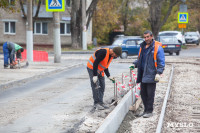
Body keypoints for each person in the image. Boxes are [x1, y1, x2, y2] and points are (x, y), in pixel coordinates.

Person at [133, 30, 165, 118]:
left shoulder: (157, 47)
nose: (146, 39)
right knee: (143, 93)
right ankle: (145, 110)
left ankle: (149, 111)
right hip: (142, 74)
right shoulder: (142, 47)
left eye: (148, 37)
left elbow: (161, 62)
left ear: (151, 36)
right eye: (145, 37)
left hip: (152, 74)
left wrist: (159, 72)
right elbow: (140, 59)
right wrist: (135, 64)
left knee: (150, 93)